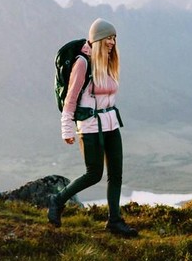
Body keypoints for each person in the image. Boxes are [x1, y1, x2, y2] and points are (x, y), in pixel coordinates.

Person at [47, 18, 138, 237]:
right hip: (89, 127)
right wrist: (66, 129)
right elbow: (70, 100)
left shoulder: (107, 62)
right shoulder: (83, 63)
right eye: (108, 38)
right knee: (94, 174)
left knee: (116, 174)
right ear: (98, 39)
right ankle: (57, 200)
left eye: (114, 38)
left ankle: (114, 221)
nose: (112, 42)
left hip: (111, 125)